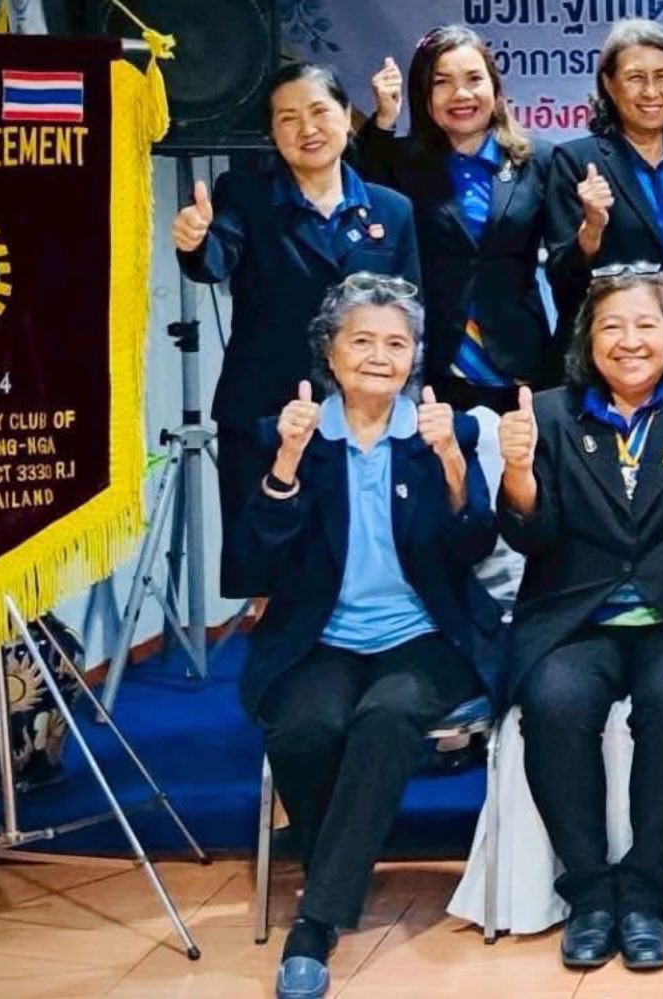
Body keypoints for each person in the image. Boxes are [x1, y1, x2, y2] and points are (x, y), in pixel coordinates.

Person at [227, 274, 503, 999]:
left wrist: (453, 466)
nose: (381, 356)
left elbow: (473, 545)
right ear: (330, 351)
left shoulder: (441, 431)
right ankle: (338, 865)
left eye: (397, 344)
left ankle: (315, 922)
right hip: (322, 636)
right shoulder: (289, 432)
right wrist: (286, 465)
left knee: (386, 717)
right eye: (363, 341)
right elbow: (254, 559)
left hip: (427, 633)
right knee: (302, 728)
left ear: (414, 356)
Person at [496, 269, 663, 972]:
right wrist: (517, 472)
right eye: (612, 326)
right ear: (588, 339)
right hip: (576, 614)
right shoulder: (550, 413)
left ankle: (643, 891)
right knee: (553, 702)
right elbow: (531, 533)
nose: (630, 340)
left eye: (646, 325)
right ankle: (589, 893)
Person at [174, 63, 421, 598]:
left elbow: (410, 322)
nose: (306, 129)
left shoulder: (392, 209)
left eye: (318, 112)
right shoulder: (244, 194)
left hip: (364, 421)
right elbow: (217, 256)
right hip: (265, 410)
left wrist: (409, 414)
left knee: (360, 569)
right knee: (271, 576)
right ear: (272, 132)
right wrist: (195, 242)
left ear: (346, 117)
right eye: (287, 118)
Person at [356, 26, 553, 413]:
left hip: (519, 365)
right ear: (423, 95)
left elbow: (566, 264)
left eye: (474, 79)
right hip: (430, 368)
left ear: (495, 87)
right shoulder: (401, 163)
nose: (461, 94)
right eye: (441, 82)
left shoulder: (540, 161)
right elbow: (359, 191)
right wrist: (384, 119)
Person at [544, 19, 663, 350]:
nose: (651, 92)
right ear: (609, 84)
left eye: (662, 76)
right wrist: (591, 229)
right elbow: (562, 280)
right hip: (612, 355)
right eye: (635, 78)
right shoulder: (576, 162)